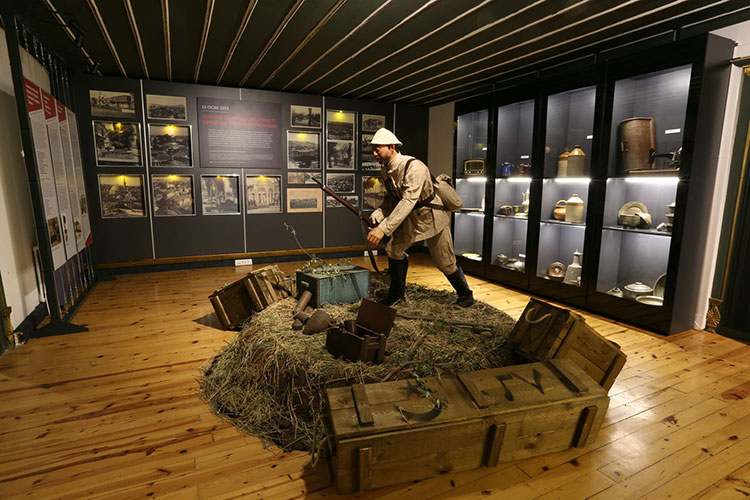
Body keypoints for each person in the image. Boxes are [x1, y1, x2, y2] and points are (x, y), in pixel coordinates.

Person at [365, 128, 474, 307]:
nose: (374, 154)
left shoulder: (414, 167)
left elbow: (408, 200)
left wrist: (383, 228)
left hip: (431, 219)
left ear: (391, 147)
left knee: (444, 261)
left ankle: (466, 296)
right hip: (410, 219)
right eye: (373, 150)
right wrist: (378, 214)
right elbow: (392, 199)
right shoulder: (386, 170)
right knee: (394, 249)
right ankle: (397, 295)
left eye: (378, 149)